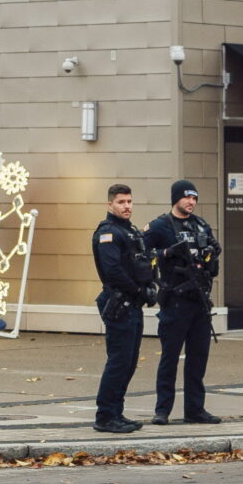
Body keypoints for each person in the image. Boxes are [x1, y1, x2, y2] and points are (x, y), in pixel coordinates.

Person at [145, 179, 222, 426]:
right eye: (187, 197)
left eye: (195, 198)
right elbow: (141, 256)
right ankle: (162, 410)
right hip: (175, 301)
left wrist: (212, 255)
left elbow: (212, 264)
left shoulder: (201, 225)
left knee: (198, 358)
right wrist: (166, 253)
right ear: (176, 198)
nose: (191, 202)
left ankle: (195, 409)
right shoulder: (160, 226)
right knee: (170, 358)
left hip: (199, 301)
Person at [91, 184, 156, 433]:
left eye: (129, 201)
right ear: (110, 205)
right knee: (119, 361)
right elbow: (113, 271)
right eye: (121, 202)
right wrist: (139, 291)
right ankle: (105, 416)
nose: (127, 206)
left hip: (133, 305)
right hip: (119, 304)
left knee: (128, 362)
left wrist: (150, 286)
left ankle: (116, 412)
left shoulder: (129, 232)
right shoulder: (108, 233)